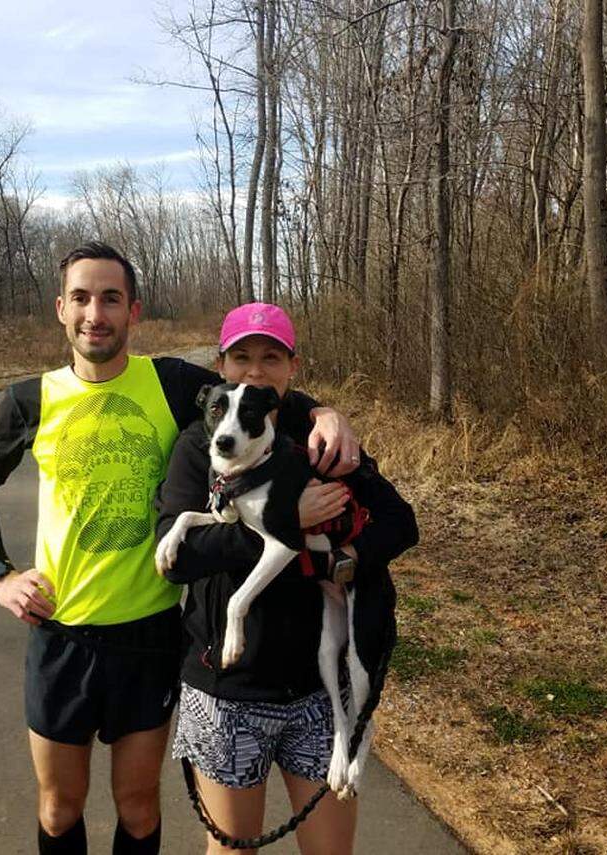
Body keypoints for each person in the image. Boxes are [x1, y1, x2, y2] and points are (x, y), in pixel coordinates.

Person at [0, 242, 360, 855]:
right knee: (59, 810)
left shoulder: (169, 383)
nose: (97, 313)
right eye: (82, 299)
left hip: (149, 634)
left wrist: (327, 411)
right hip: (61, 632)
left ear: (133, 311)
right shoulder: (30, 401)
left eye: (111, 299)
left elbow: (253, 390)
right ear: (61, 309)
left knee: (139, 811)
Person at [154, 303, 419, 855]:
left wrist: (336, 564)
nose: (255, 370)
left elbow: (400, 524)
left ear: (291, 368)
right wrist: (280, 524)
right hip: (228, 688)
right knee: (232, 850)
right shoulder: (197, 448)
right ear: (221, 364)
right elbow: (178, 560)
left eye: (270, 357)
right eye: (241, 357)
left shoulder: (321, 441)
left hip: (316, 693)